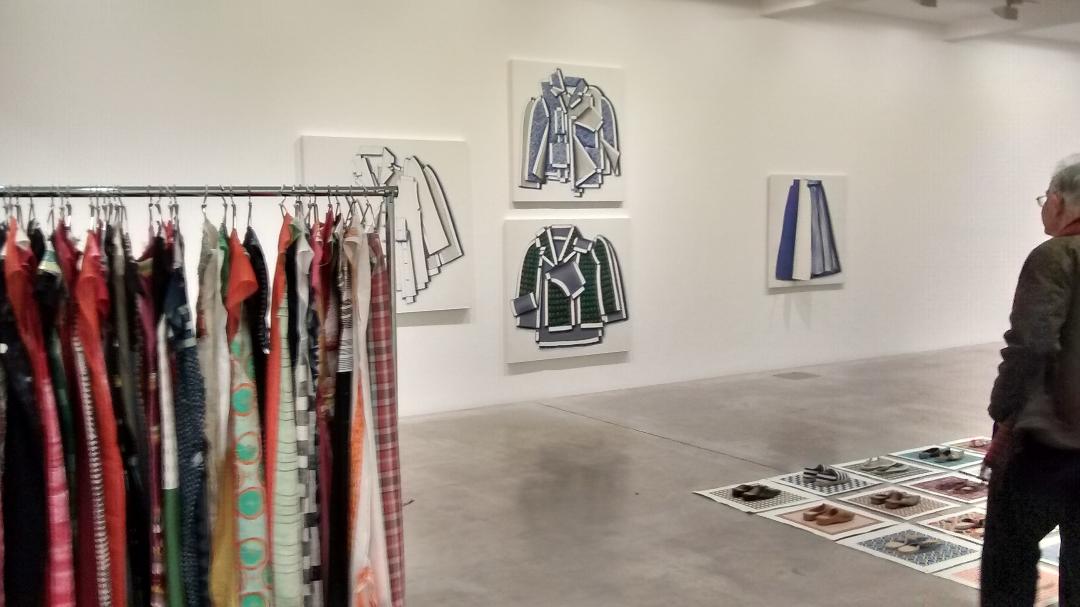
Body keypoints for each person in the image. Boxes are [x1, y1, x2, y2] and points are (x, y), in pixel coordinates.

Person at [982, 155, 1080, 606]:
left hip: (1051, 440)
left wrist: (1003, 412)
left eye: (1044, 199)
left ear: (1058, 201)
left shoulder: (1055, 256)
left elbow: (1032, 344)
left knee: (1009, 555)